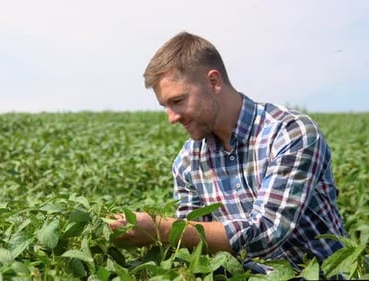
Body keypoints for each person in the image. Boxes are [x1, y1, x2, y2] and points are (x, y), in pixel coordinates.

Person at [109, 31, 347, 275]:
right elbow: (196, 249)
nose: (172, 118)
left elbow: (267, 232)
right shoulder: (188, 162)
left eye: (178, 100)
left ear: (214, 82)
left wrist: (160, 230)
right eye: (165, 106)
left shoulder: (289, 133)